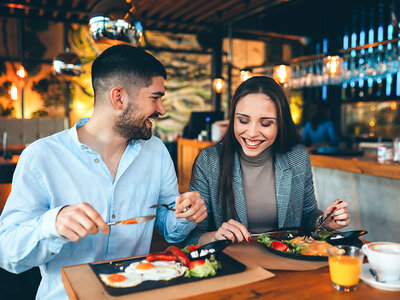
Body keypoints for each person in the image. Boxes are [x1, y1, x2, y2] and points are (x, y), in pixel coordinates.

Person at [0, 45, 207, 299]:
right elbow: (8, 254)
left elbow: (166, 223)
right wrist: (52, 224)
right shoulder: (41, 157)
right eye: (155, 97)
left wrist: (186, 214)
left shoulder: (156, 152)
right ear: (118, 98)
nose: (161, 109)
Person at [184, 76, 349, 245]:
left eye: (266, 123)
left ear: (280, 124)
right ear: (232, 118)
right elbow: (191, 236)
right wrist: (215, 237)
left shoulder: (297, 157)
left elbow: (308, 215)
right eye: (243, 120)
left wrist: (324, 221)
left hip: (287, 261)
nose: (252, 132)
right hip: (232, 263)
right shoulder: (210, 161)